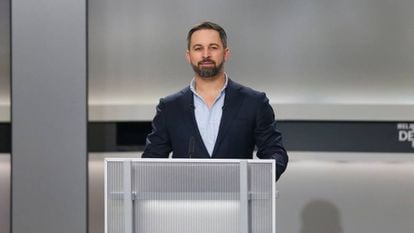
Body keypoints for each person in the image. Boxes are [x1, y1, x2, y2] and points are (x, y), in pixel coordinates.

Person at [142, 21, 288, 180]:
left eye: (213, 47)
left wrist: (257, 181)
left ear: (226, 53)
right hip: (186, 201)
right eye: (198, 48)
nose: (206, 54)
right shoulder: (170, 107)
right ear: (188, 56)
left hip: (238, 200)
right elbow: (151, 160)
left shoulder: (254, 102)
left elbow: (275, 152)